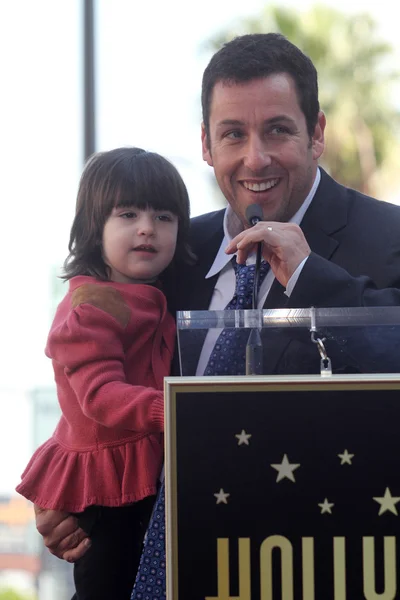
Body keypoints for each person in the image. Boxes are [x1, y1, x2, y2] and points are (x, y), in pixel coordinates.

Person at [34, 32, 400, 572]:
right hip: (149, 569)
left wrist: (307, 275)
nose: (255, 157)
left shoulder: (388, 239)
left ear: (316, 133)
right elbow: (99, 373)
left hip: (318, 567)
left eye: (277, 129)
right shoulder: (164, 251)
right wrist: (69, 486)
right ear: (206, 145)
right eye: (233, 134)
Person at [16, 146, 194, 600]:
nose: (147, 229)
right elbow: (98, 394)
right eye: (128, 214)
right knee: (107, 585)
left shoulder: (150, 295)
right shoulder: (92, 305)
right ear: (95, 229)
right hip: (106, 482)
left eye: (165, 217)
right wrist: (175, 408)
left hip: (138, 474)